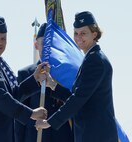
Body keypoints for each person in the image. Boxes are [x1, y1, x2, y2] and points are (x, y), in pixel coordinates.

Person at [35, 11, 119, 142]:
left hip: (97, 135)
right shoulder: (90, 58)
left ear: (94, 34)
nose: (79, 37)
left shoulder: (95, 60)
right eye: (76, 33)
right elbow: (76, 96)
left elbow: (79, 98)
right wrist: (53, 84)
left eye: (83, 33)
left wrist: (49, 123)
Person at [14, 23, 74, 142]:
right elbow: (19, 115)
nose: (48, 49)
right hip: (35, 137)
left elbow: (73, 104)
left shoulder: (66, 74)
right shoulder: (25, 74)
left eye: (51, 45)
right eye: (44, 44)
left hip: (63, 137)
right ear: (36, 45)